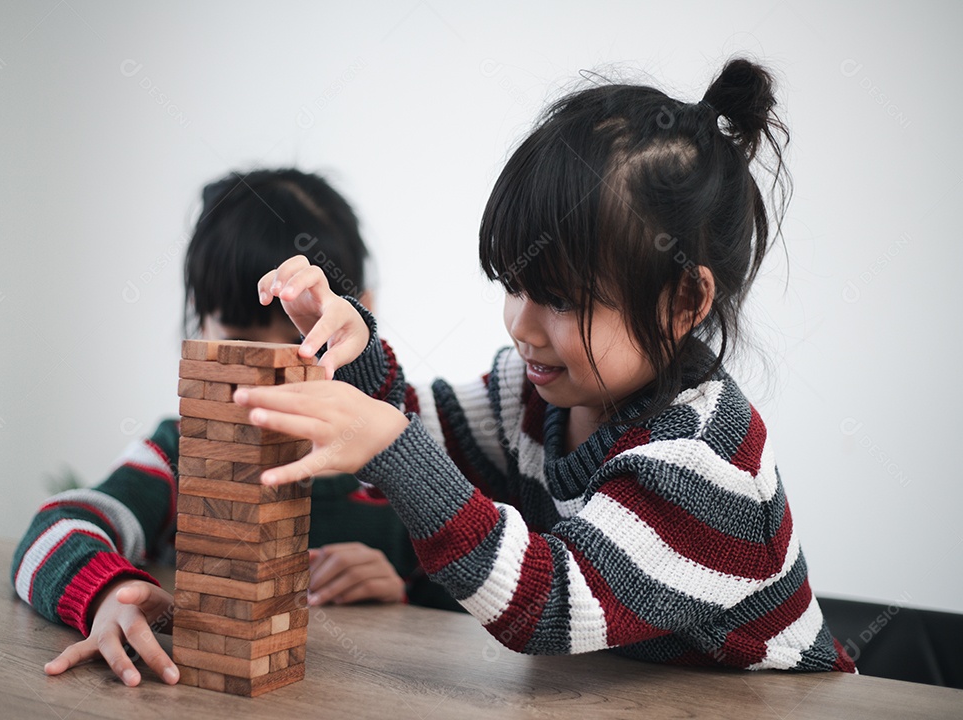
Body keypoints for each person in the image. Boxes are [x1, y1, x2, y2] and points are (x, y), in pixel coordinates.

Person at [233, 58, 857, 672]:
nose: (521, 326)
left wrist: (389, 446)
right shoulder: (530, 393)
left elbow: (549, 606)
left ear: (684, 302)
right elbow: (413, 434)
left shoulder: (709, 463)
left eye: (561, 300)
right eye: (514, 284)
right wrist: (353, 349)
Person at [11, 168, 458, 689]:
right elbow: (54, 530)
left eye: (306, 340)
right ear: (201, 328)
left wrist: (398, 593)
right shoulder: (181, 453)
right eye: (242, 342)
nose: (275, 371)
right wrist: (108, 594)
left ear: (359, 320)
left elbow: (477, 617)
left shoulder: (400, 465)